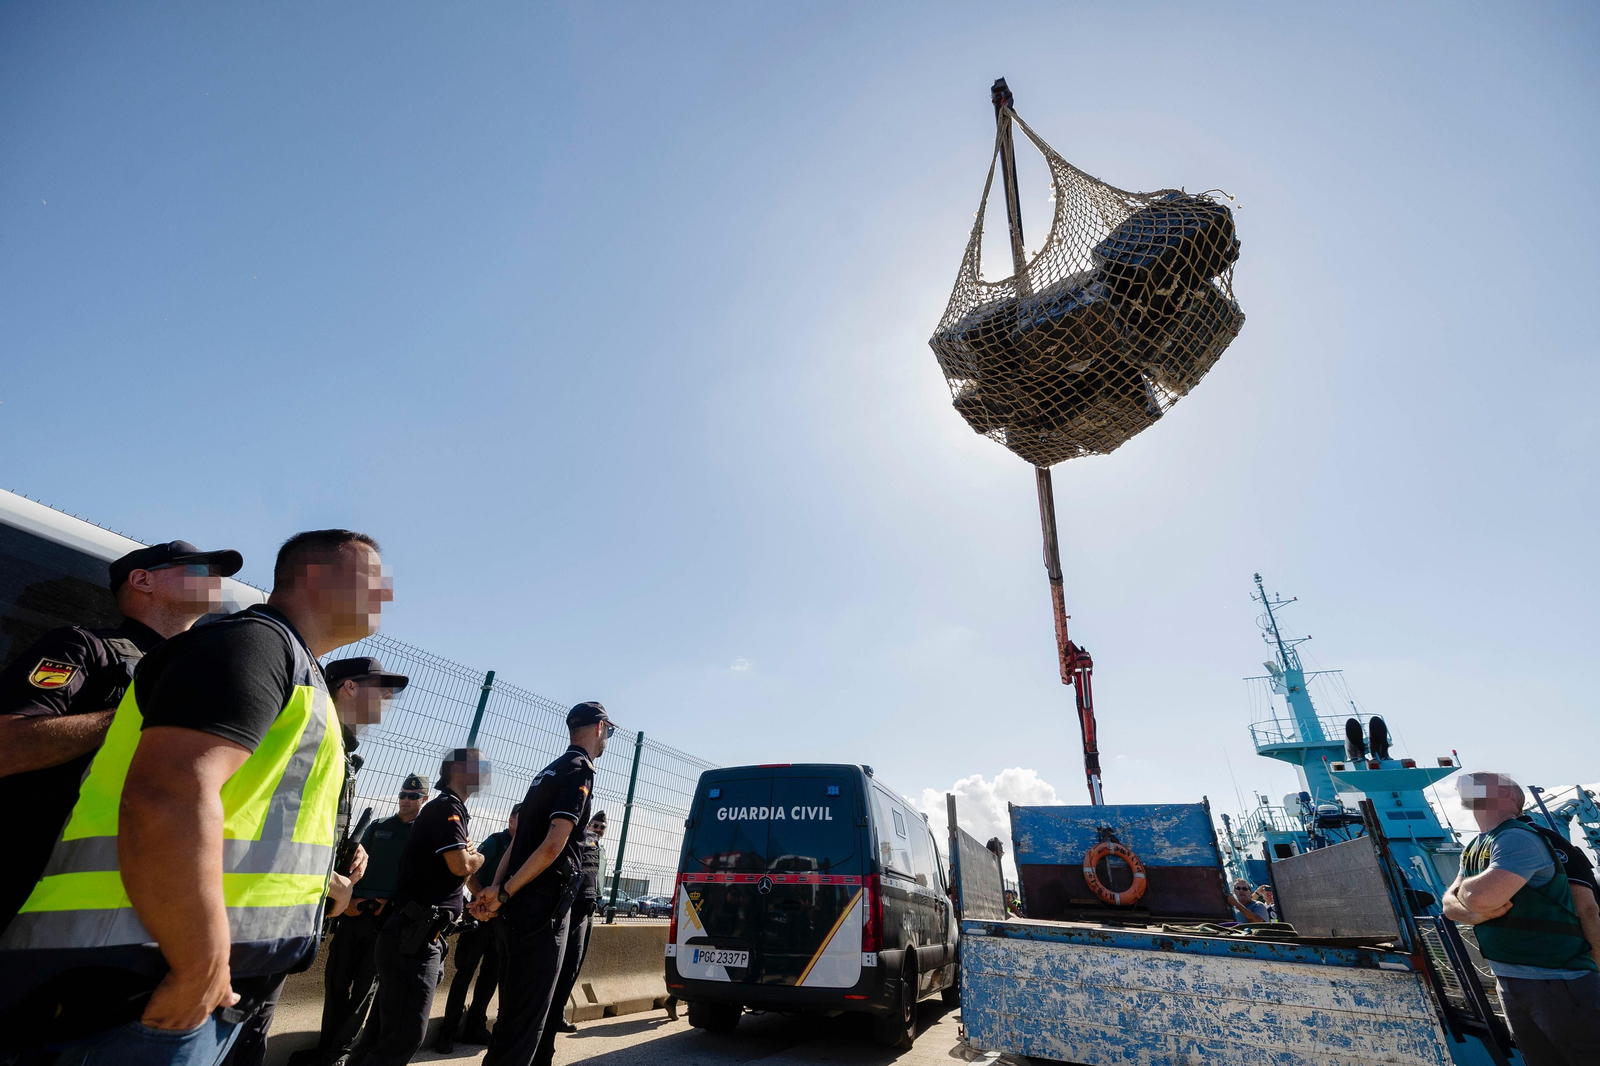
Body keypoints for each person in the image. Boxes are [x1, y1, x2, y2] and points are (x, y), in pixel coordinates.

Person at [0, 528, 390, 1065]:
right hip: (140, 968)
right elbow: (168, 794)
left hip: (206, 971)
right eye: (372, 579)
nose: (384, 595)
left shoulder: (290, 669)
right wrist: (200, 964)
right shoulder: (245, 645)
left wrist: (324, 881)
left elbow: (255, 810)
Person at [0, 539, 240, 932]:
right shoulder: (83, 647)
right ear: (142, 580)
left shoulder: (199, 675)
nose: (214, 580)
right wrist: (134, 715)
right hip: (30, 878)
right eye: (199, 570)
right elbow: (7, 746)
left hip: (128, 892)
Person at [221, 656, 407, 1066]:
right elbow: (270, 827)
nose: (389, 699)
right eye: (381, 688)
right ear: (349, 688)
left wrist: (348, 847)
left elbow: (310, 825)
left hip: (287, 917)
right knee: (230, 1036)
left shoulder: (339, 747)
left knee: (249, 1034)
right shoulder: (309, 737)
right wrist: (329, 881)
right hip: (253, 914)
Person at [471, 701, 611, 1066]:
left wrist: (498, 891)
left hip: (515, 910)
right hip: (540, 911)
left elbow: (517, 843)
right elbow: (552, 845)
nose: (607, 738)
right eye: (608, 731)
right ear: (598, 728)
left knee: (511, 1022)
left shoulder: (546, 772)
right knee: (525, 1030)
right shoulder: (580, 770)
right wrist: (502, 892)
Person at [1444, 772, 1600, 1065]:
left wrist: (1596, 972)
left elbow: (1588, 909)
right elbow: (1448, 906)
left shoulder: (1529, 838)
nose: (1467, 784)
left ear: (1507, 796)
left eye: (1480, 782)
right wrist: (1474, 913)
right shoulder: (1476, 846)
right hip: (1512, 979)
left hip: (1560, 979)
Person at [350, 749, 487, 1066]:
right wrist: (477, 858)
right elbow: (460, 864)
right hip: (413, 937)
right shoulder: (446, 808)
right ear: (457, 770)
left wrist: (479, 896)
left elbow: (459, 876)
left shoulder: (451, 810)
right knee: (405, 1034)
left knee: (381, 1033)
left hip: (419, 935)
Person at [435, 803, 520, 1053]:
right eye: (519, 818)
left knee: (490, 976)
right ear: (510, 819)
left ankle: (475, 1026)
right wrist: (481, 898)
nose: (522, 824)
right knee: (465, 973)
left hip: (500, 921)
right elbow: (470, 873)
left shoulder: (525, 847)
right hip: (477, 917)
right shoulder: (497, 841)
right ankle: (447, 1031)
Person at [549, 811, 610, 1036]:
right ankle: (552, 1016)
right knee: (566, 965)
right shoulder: (584, 840)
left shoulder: (599, 849)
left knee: (574, 965)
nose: (598, 829)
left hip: (591, 909)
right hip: (575, 909)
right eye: (595, 824)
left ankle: (557, 1015)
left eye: (602, 827)